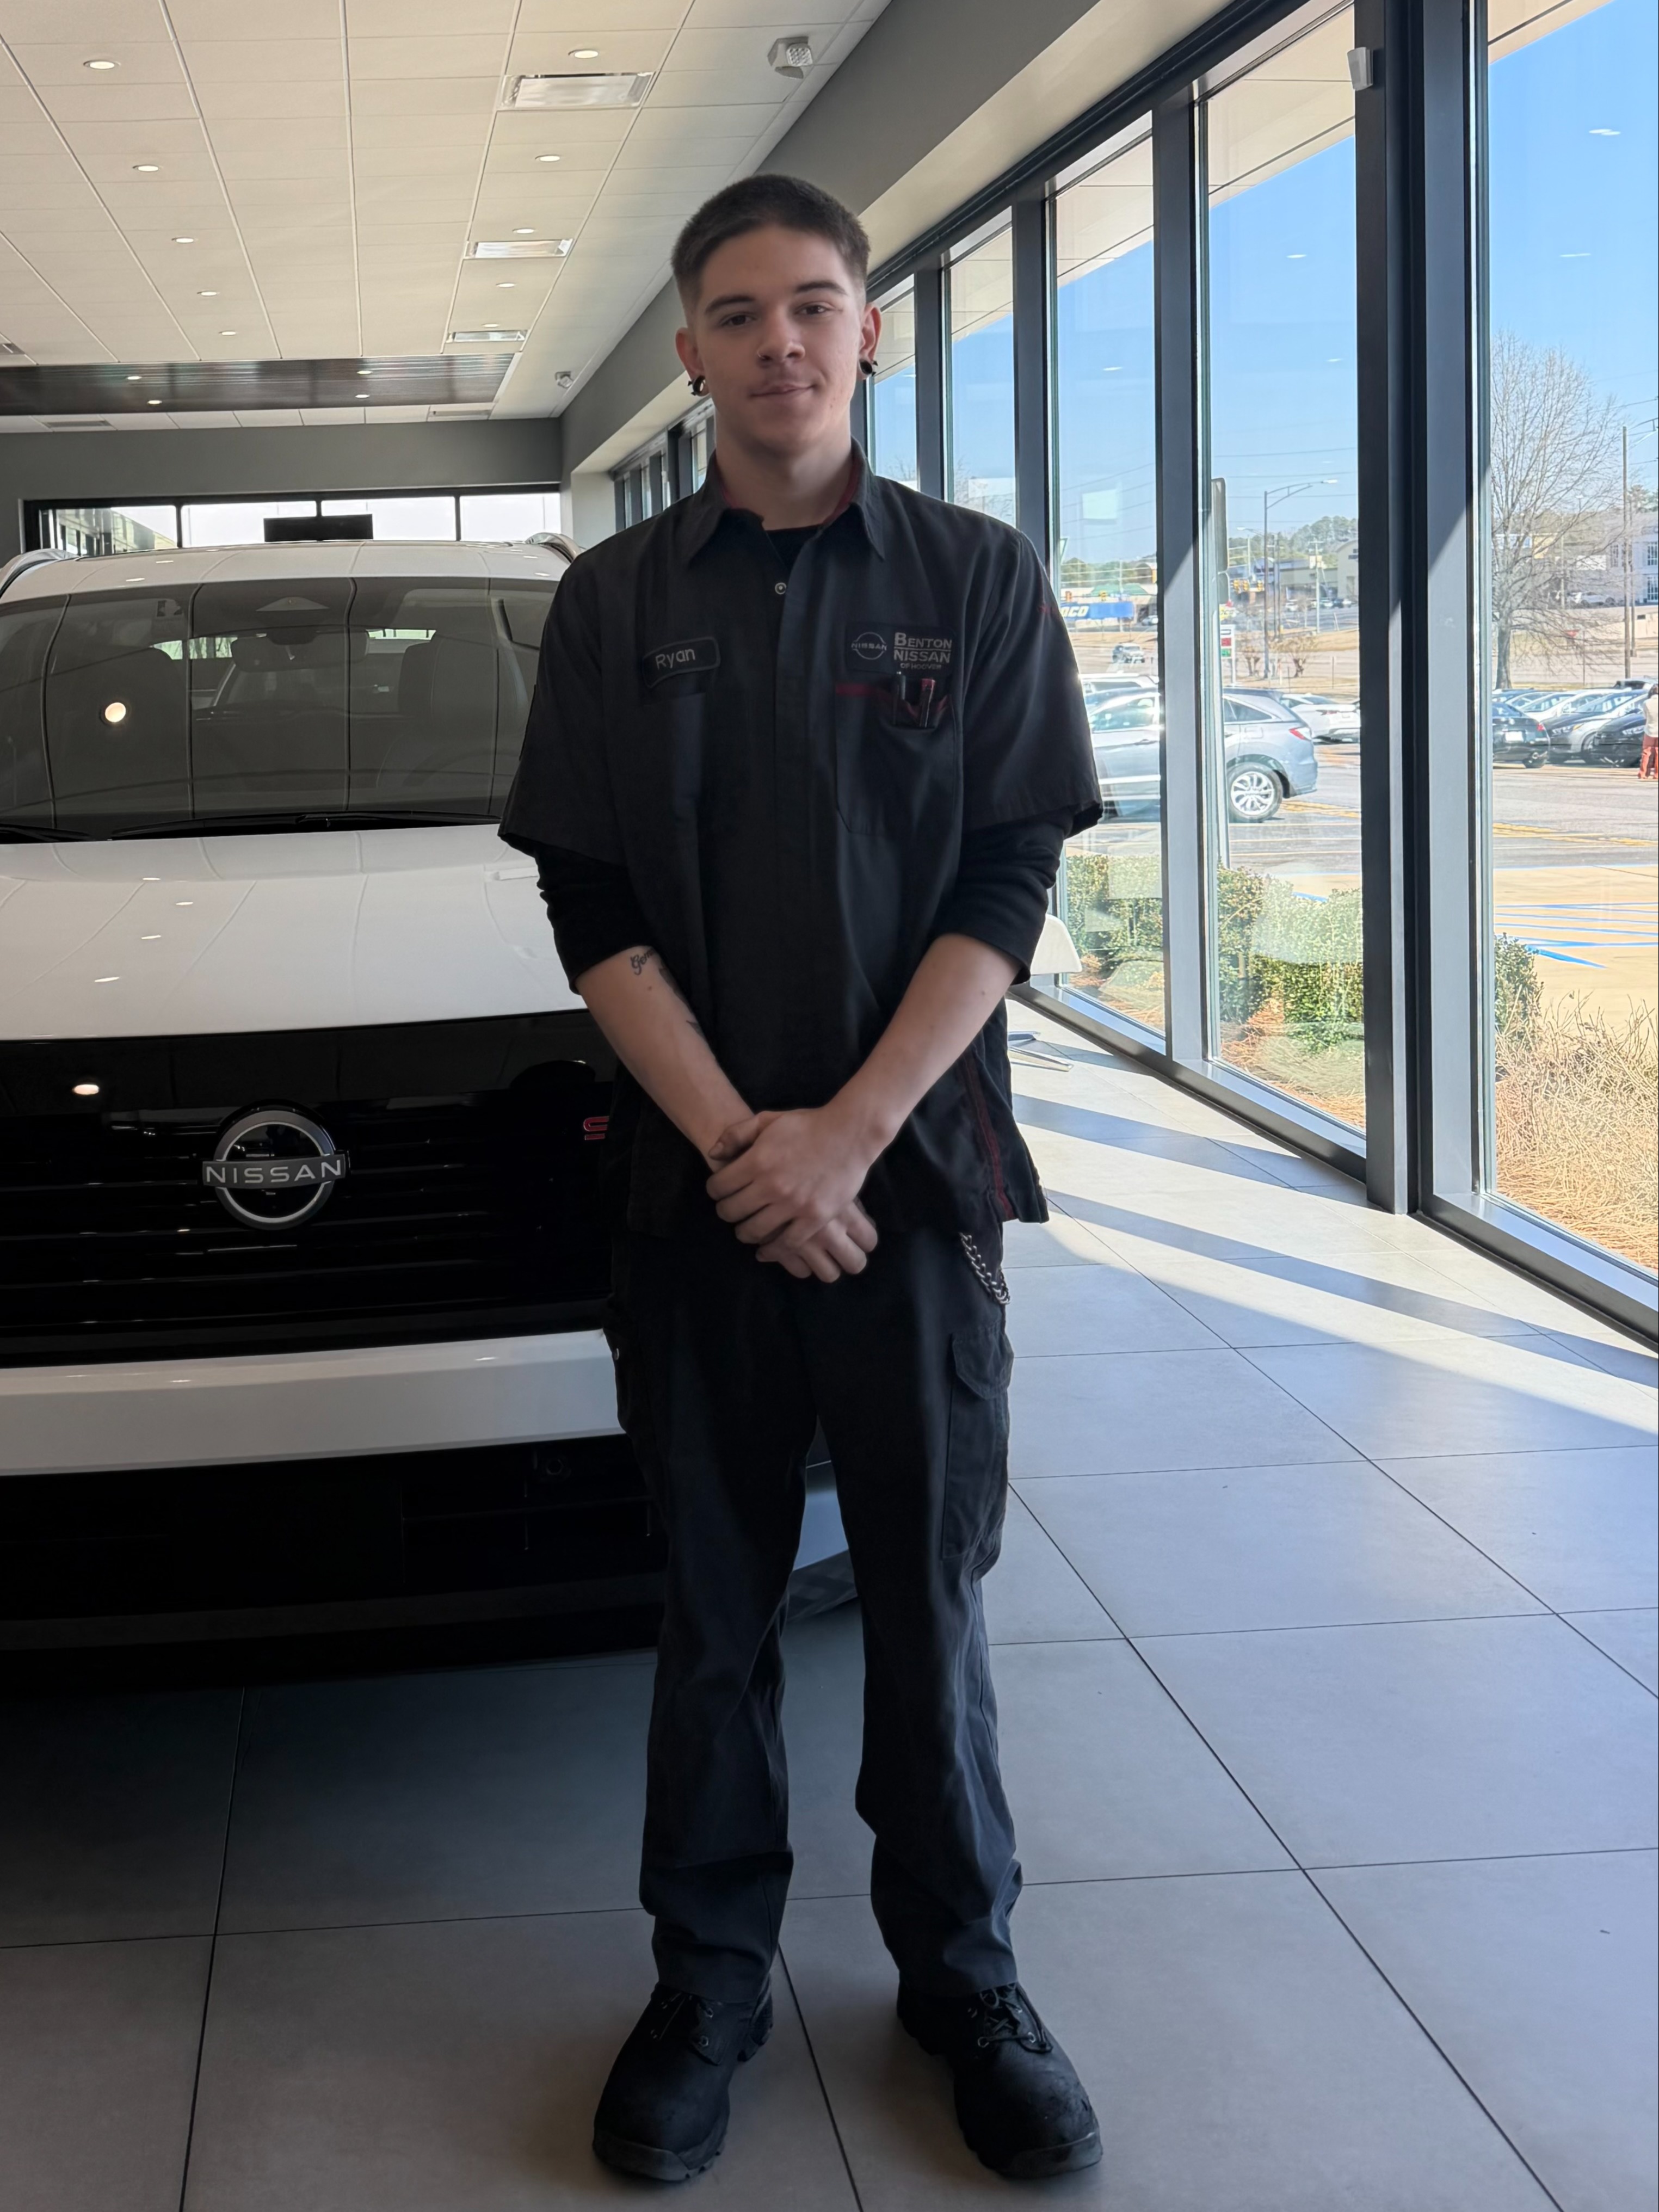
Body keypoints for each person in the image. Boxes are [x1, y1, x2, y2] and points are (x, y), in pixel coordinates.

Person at [501, 174, 1103, 2186]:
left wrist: (844, 1135)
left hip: (911, 1186)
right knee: (715, 1608)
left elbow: (1007, 877)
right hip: (697, 1202)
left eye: (815, 304)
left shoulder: (973, 575)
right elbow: (588, 908)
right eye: (741, 313)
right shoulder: (614, 603)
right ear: (688, 348)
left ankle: (967, 1977)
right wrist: (744, 1147)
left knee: (923, 1598)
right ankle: (707, 1984)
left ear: (869, 329)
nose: (782, 342)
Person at [1639, 681, 1657, 778]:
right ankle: (1657, 774)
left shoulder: (1646, 703)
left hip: (1649, 730)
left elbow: (1645, 717)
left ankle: (1643, 773)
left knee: (1646, 752)